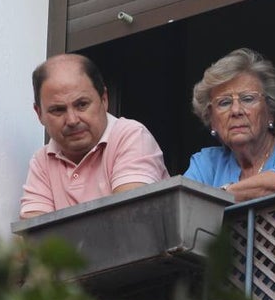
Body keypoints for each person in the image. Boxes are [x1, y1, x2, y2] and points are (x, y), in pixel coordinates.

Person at [19, 54, 168, 218]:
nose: (72, 120)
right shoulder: (42, 162)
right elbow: (32, 238)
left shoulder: (131, 136)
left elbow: (130, 219)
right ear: (39, 113)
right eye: (58, 110)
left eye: (82, 105)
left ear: (104, 99)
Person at [184, 48, 275, 201]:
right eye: (224, 102)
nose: (236, 110)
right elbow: (184, 206)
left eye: (248, 99)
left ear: (270, 111)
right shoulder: (207, 163)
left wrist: (221, 194)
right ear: (212, 121)